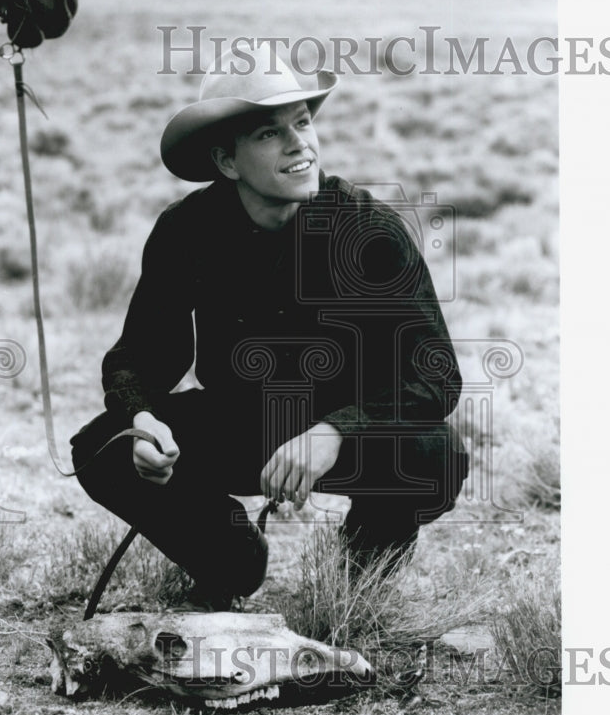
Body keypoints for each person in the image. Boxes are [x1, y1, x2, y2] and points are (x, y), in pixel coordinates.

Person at [72, 46, 468, 610]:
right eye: (268, 134)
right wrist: (142, 422)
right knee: (102, 448)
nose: (298, 143)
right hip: (242, 424)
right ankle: (230, 557)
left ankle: (360, 576)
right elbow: (141, 355)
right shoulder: (187, 231)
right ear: (227, 161)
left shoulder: (370, 230)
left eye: (302, 122)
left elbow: (436, 376)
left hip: (347, 429)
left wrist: (335, 431)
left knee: (437, 455)